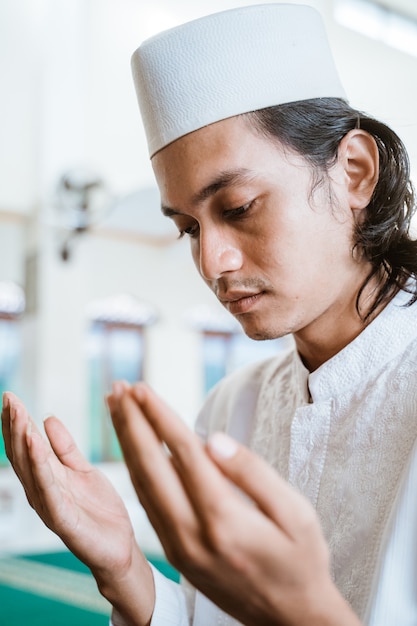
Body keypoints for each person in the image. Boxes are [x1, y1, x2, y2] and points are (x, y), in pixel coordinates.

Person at [2, 3, 417, 625]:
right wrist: (127, 573)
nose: (213, 261)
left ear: (354, 172)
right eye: (189, 229)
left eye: (240, 206)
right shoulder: (232, 409)